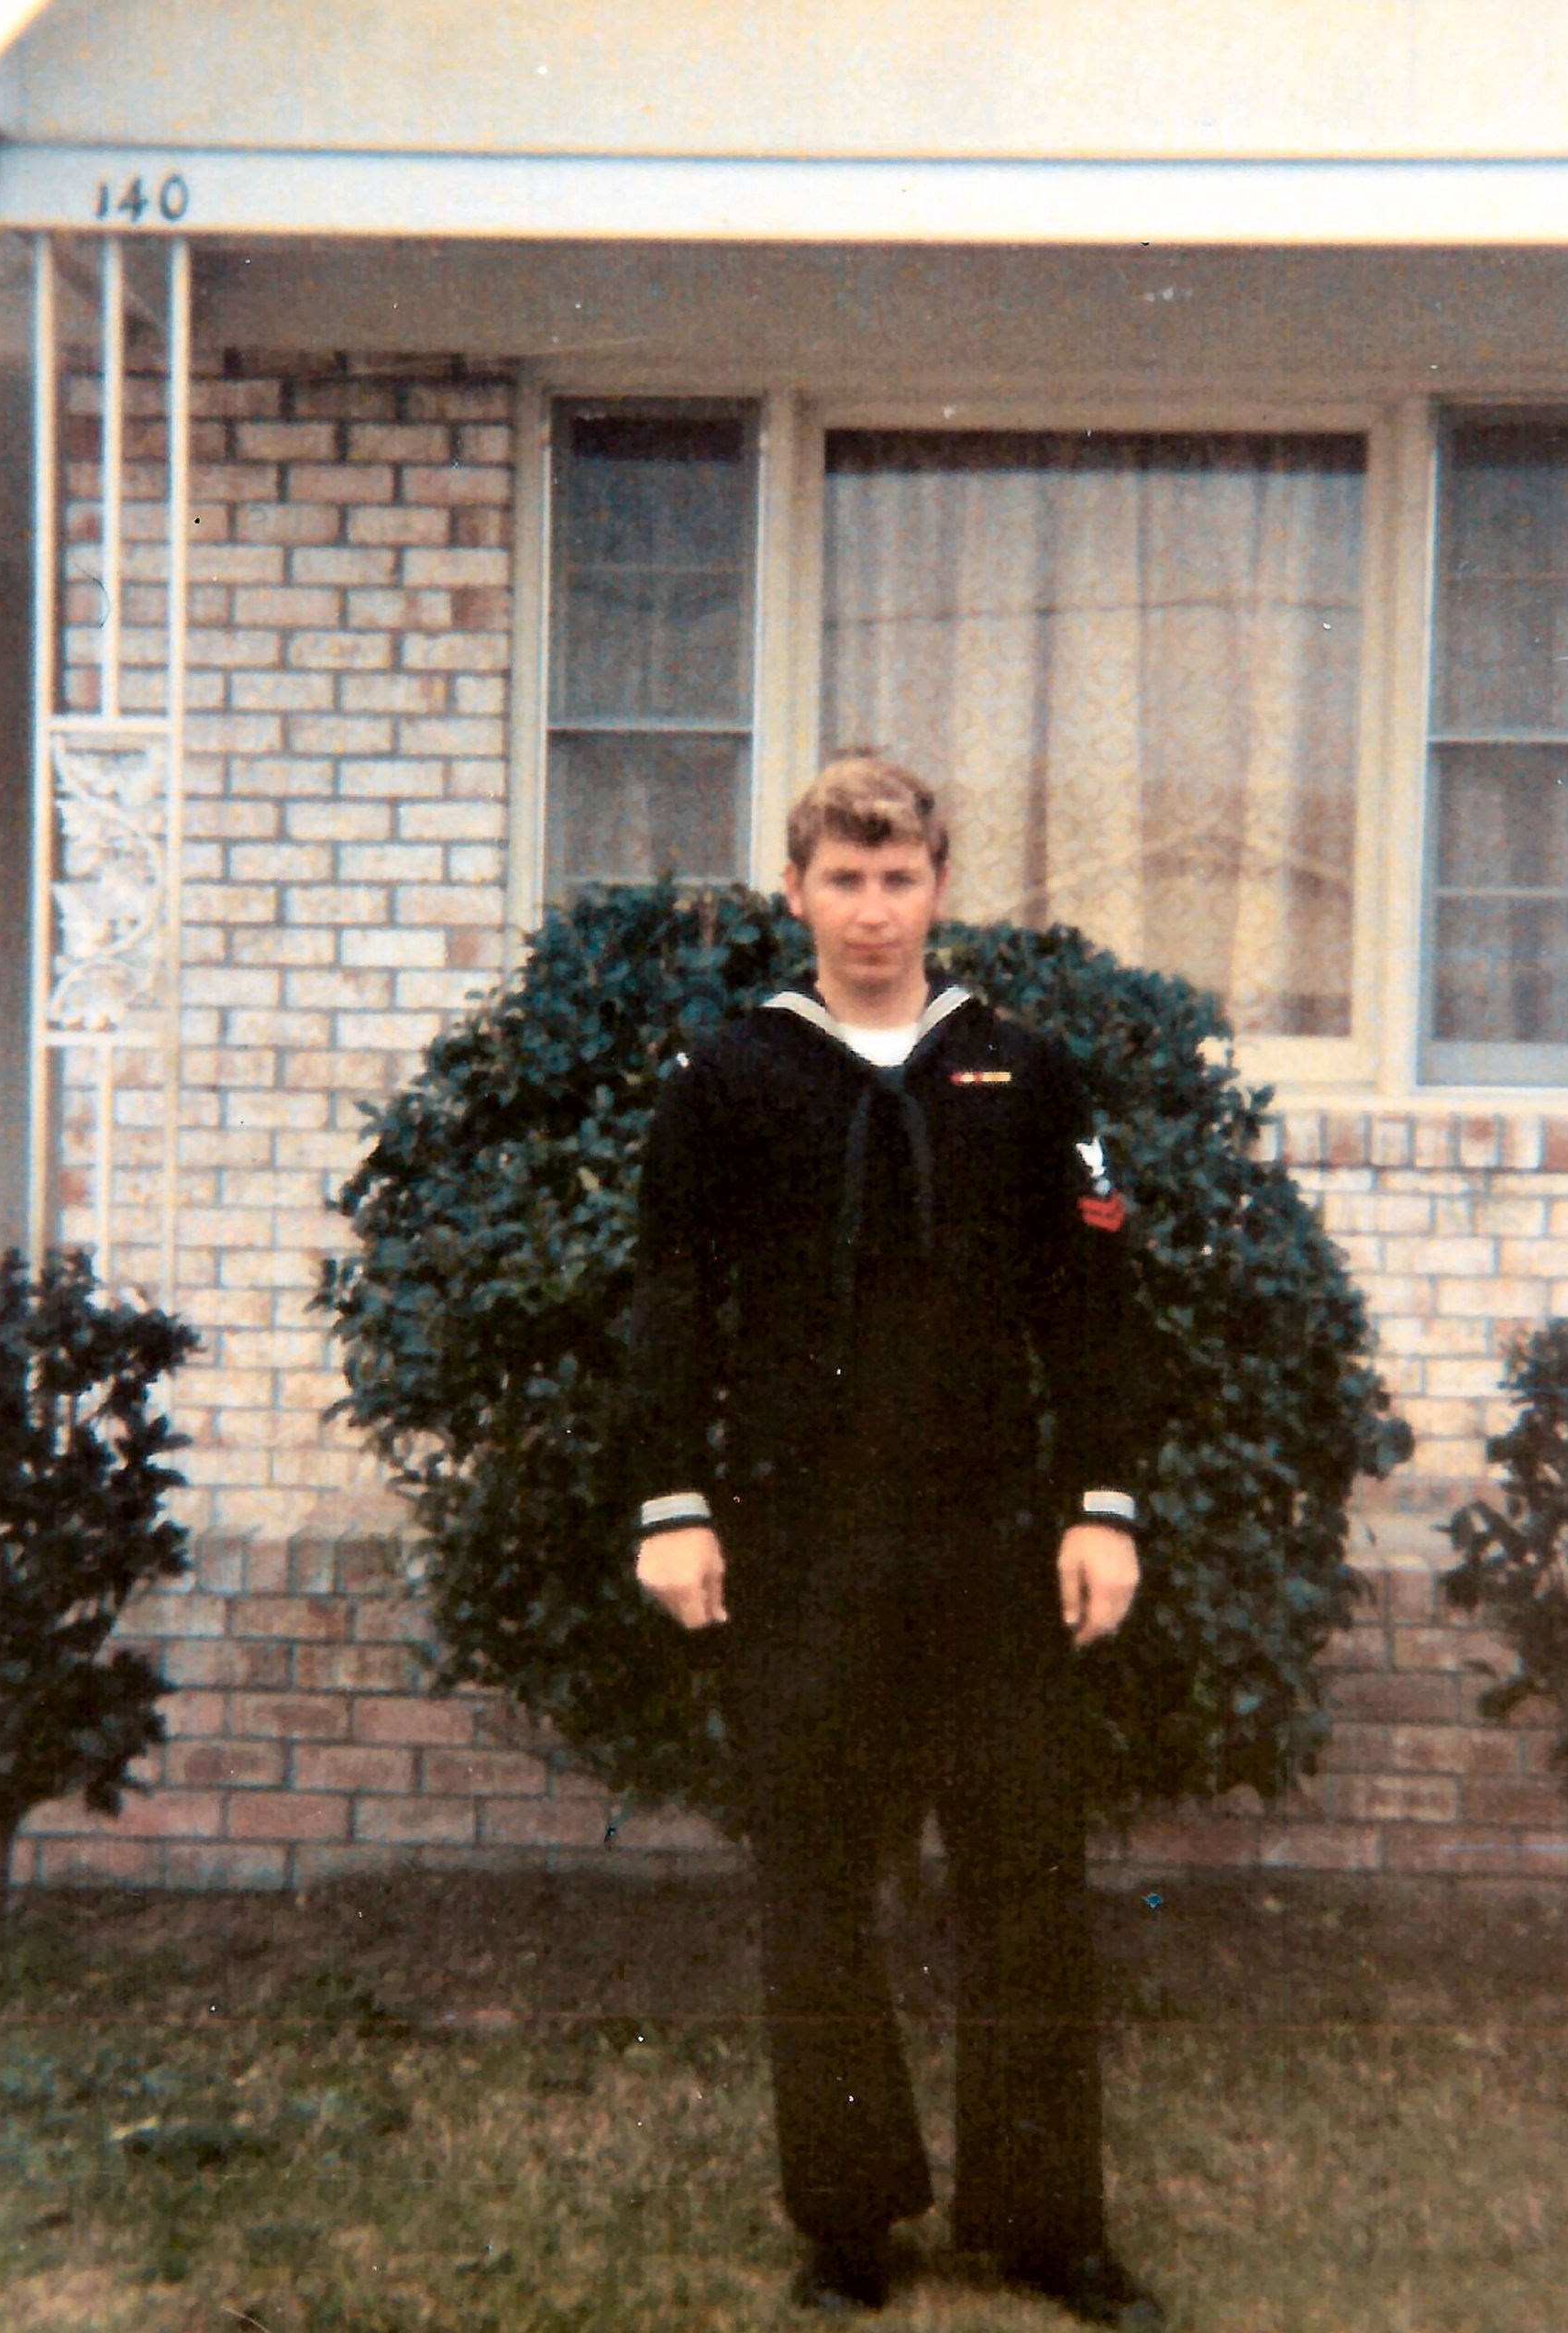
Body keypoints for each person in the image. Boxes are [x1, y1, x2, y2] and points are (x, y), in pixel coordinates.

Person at [626, 751, 1165, 2327]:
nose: (873, 910)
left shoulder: (1028, 1073)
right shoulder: (727, 1076)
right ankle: (849, 2220)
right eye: (843, 881)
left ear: (941, 887)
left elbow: (1097, 1305)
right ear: (795, 894)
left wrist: (1103, 1502)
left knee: (1026, 1877)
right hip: (803, 1544)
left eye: (900, 878)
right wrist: (673, 1501)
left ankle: (1044, 2220)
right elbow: (669, 1299)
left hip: (994, 1538)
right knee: (815, 1877)